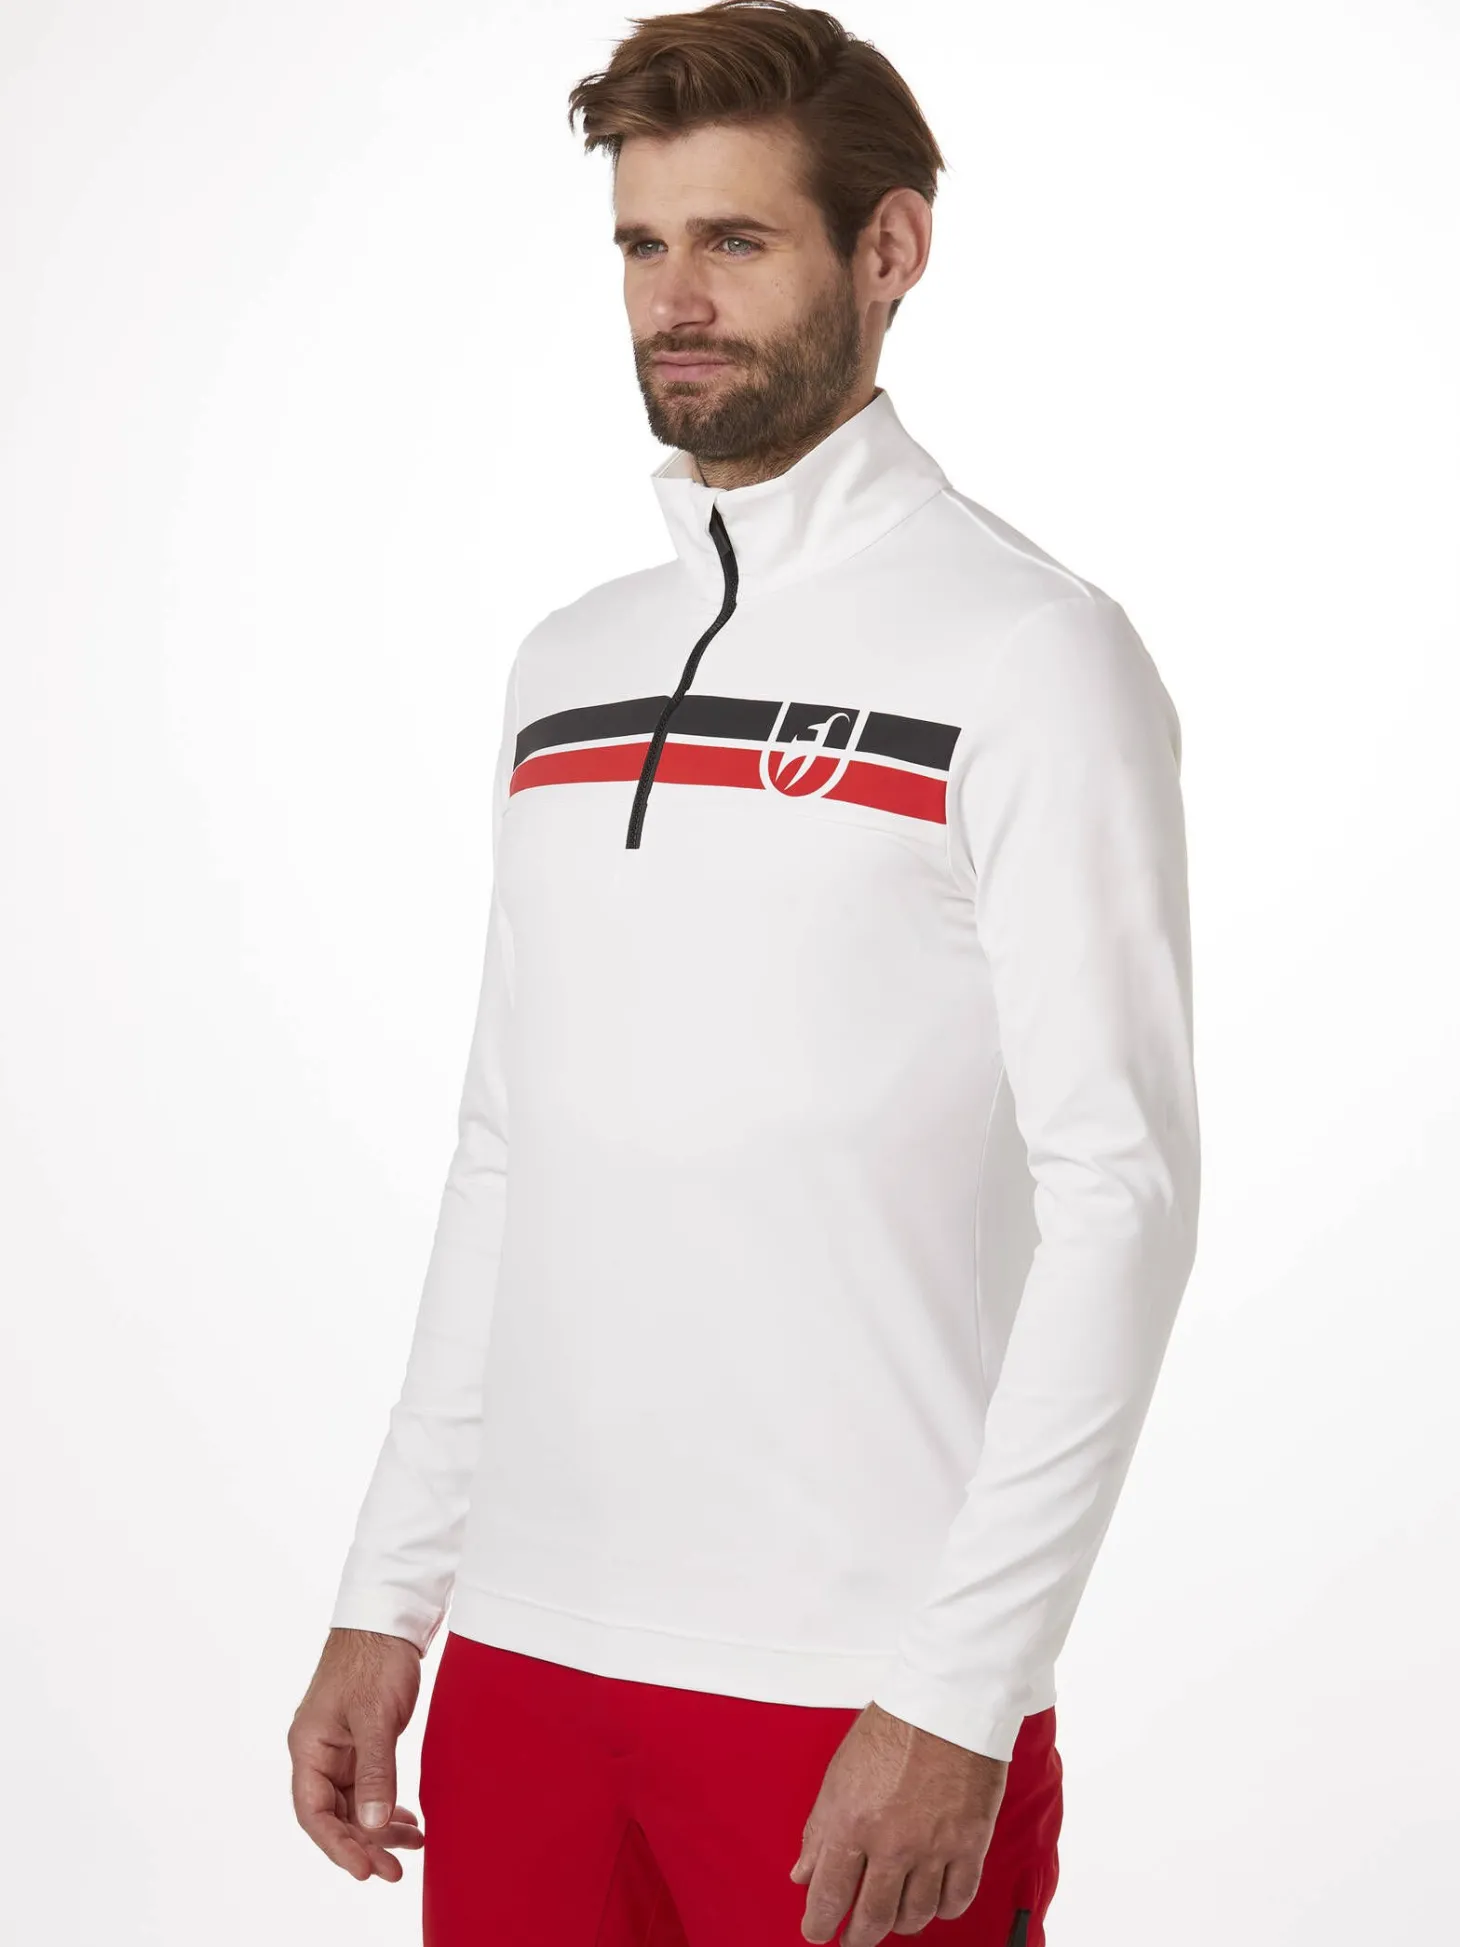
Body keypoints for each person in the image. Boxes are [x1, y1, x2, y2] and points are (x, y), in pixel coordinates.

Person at [287, 5, 1201, 1944]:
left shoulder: (1033, 655)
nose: (672, 300)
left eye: (735, 240)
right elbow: (505, 1149)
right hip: (527, 1667)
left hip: (855, 1692)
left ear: (891, 249)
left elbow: (1122, 1195)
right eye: (640, 242)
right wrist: (390, 1592)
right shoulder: (564, 667)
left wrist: (960, 1690)